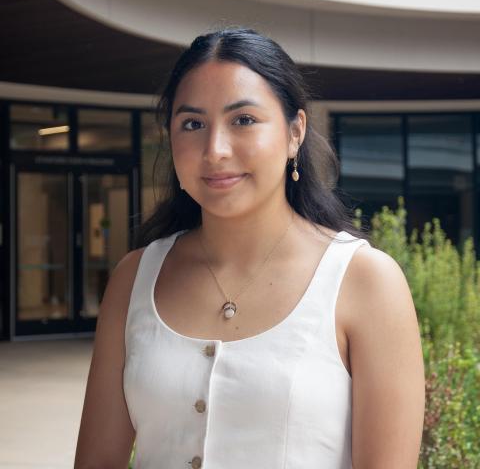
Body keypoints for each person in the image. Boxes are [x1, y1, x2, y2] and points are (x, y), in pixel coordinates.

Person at [74, 26, 425, 469]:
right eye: (193, 124)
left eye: (243, 120)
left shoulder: (365, 281)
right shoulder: (135, 277)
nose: (215, 149)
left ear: (295, 131)